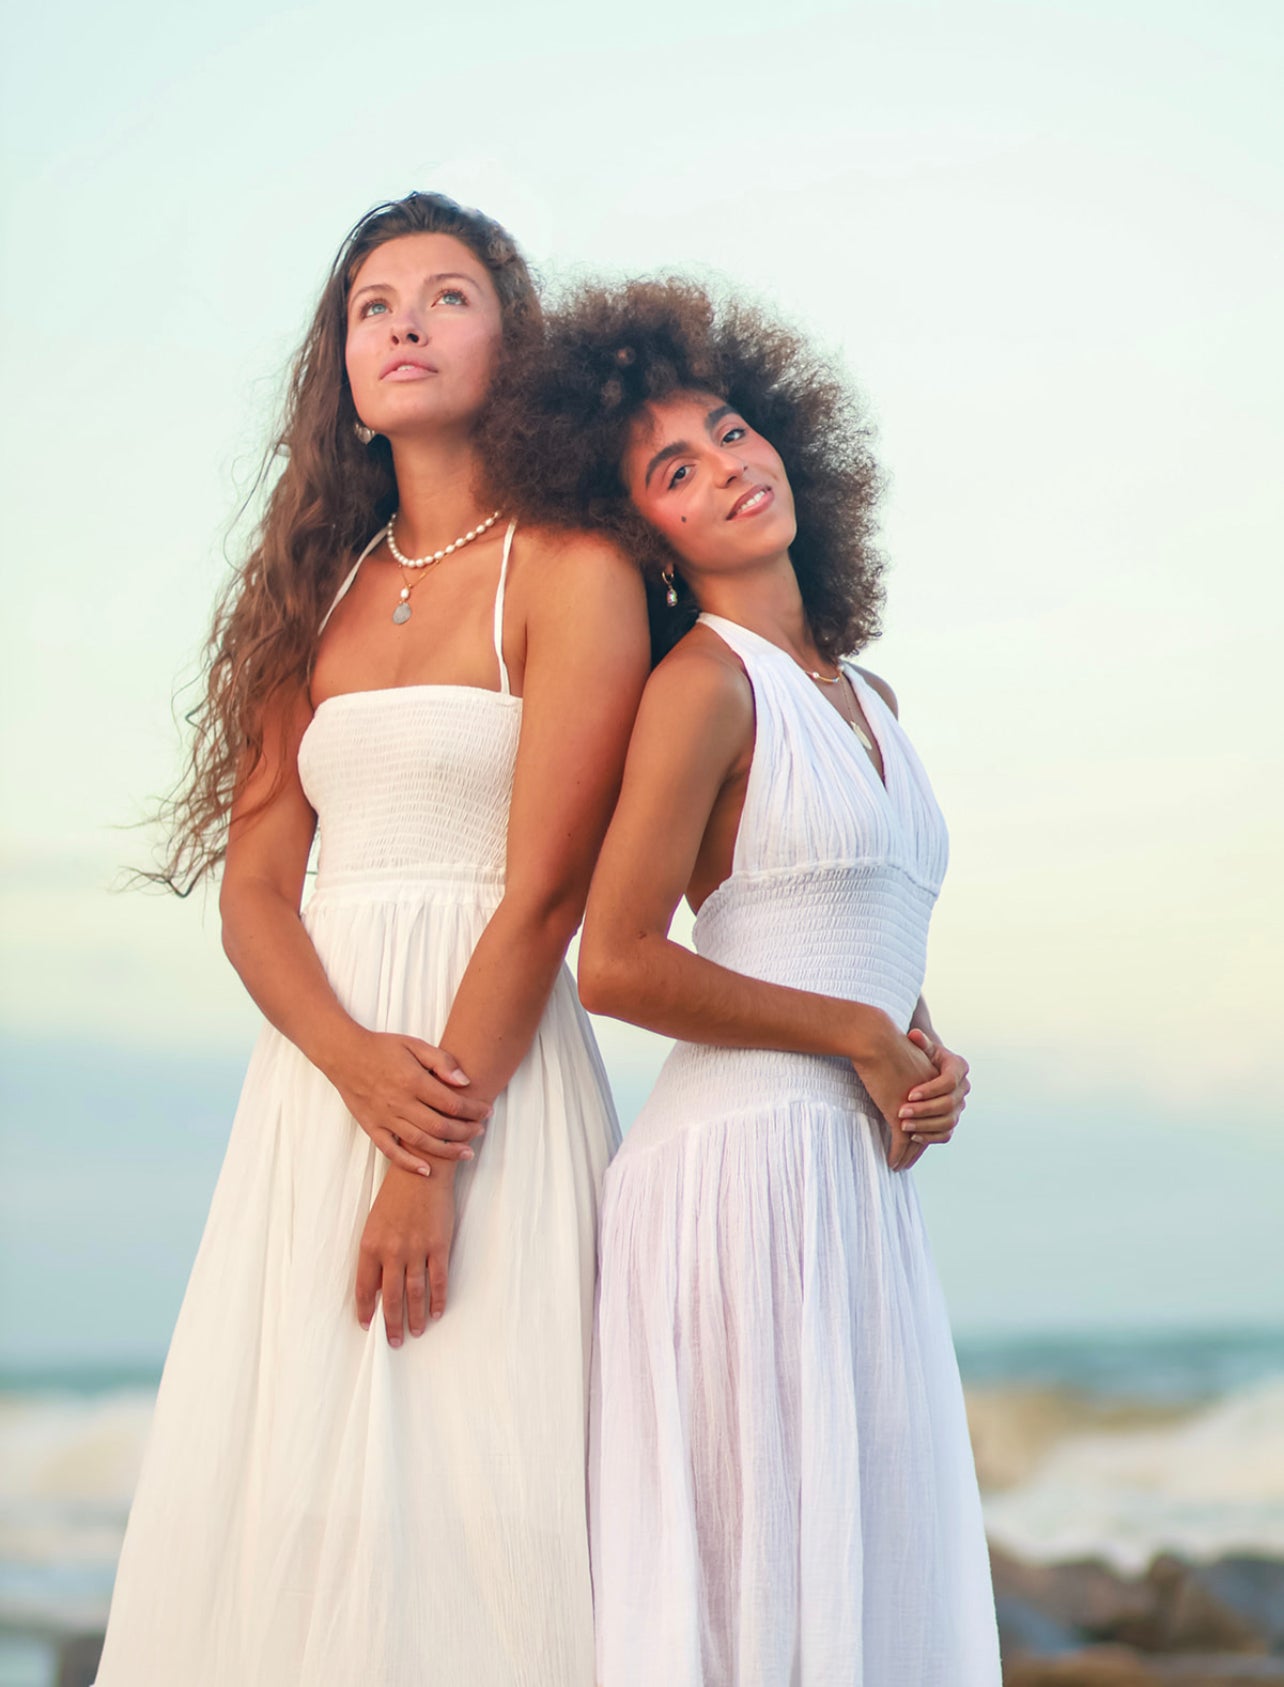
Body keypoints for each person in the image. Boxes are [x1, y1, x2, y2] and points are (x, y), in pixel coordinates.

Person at [94, 194, 648, 1687]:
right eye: (372, 305)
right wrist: (352, 1073)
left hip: (493, 1086)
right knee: (301, 1507)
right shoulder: (312, 598)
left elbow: (542, 896)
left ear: (508, 339)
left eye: (446, 295)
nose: (403, 323)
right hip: (322, 1092)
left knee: (495, 1482)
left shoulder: (572, 568)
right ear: (341, 364)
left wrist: (428, 1158)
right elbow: (256, 894)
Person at [490, 280, 1002, 1685]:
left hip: (848, 1179)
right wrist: (849, 1029)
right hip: (736, 1182)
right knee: (758, 1583)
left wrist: (920, 1047)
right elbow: (619, 960)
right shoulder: (703, 683)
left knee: (861, 1563)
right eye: (676, 470)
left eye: (729, 434)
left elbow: (853, 930)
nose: (727, 470)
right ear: (644, 534)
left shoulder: (869, 698)